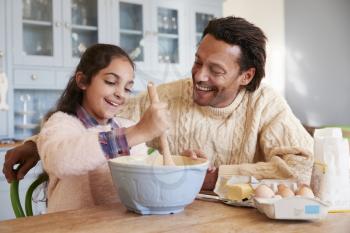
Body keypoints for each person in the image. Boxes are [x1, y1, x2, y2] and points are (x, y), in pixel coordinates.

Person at [3, 16, 314, 192]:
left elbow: (301, 167)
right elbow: (100, 121)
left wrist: (214, 176)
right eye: (197, 61)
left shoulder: (266, 104)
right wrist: (38, 142)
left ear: (245, 76)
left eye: (215, 71)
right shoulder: (165, 96)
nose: (198, 76)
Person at [33, 44, 170, 212]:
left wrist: (187, 165)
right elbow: (60, 160)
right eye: (111, 82)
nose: (121, 94)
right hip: (72, 227)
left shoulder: (125, 126)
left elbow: (148, 169)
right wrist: (136, 133)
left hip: (119, 225)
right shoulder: (61, 123)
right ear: (82, 80)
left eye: (127, 88)